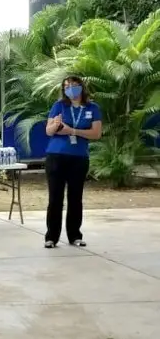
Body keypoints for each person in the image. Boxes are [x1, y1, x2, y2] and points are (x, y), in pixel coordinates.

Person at [43, 75, 102, 248]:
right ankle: (51, 237)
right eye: (67, 86)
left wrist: (72, 130)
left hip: (79, 157)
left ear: (81, 87)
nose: (70, 89)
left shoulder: (93, 108)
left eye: (74, 86)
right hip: (56, 156)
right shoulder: (59, 106)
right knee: (55, 198)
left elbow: (96, 133)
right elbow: (49, 131)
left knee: (75, 197)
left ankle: (75, 235)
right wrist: (56, 126)